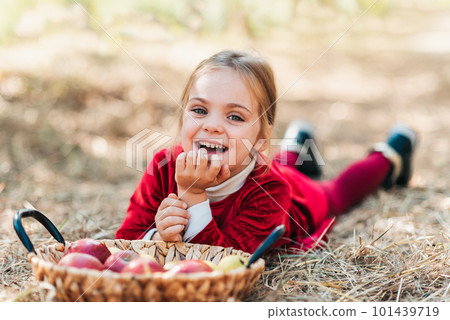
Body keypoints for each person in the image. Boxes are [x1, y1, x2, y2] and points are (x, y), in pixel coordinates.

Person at [116, 50, 417, 253]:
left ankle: (391, 155)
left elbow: (226, 262)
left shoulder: (272, 192)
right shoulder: (163, 166)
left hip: (295, 197)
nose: (212, 126)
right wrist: (157, 236)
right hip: (257, 162)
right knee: (277, 162)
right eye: (199, 109)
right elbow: (124, 241)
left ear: (261, 139)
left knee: (336, 194)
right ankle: (296, 147)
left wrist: (193, 196)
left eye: (234, 116)